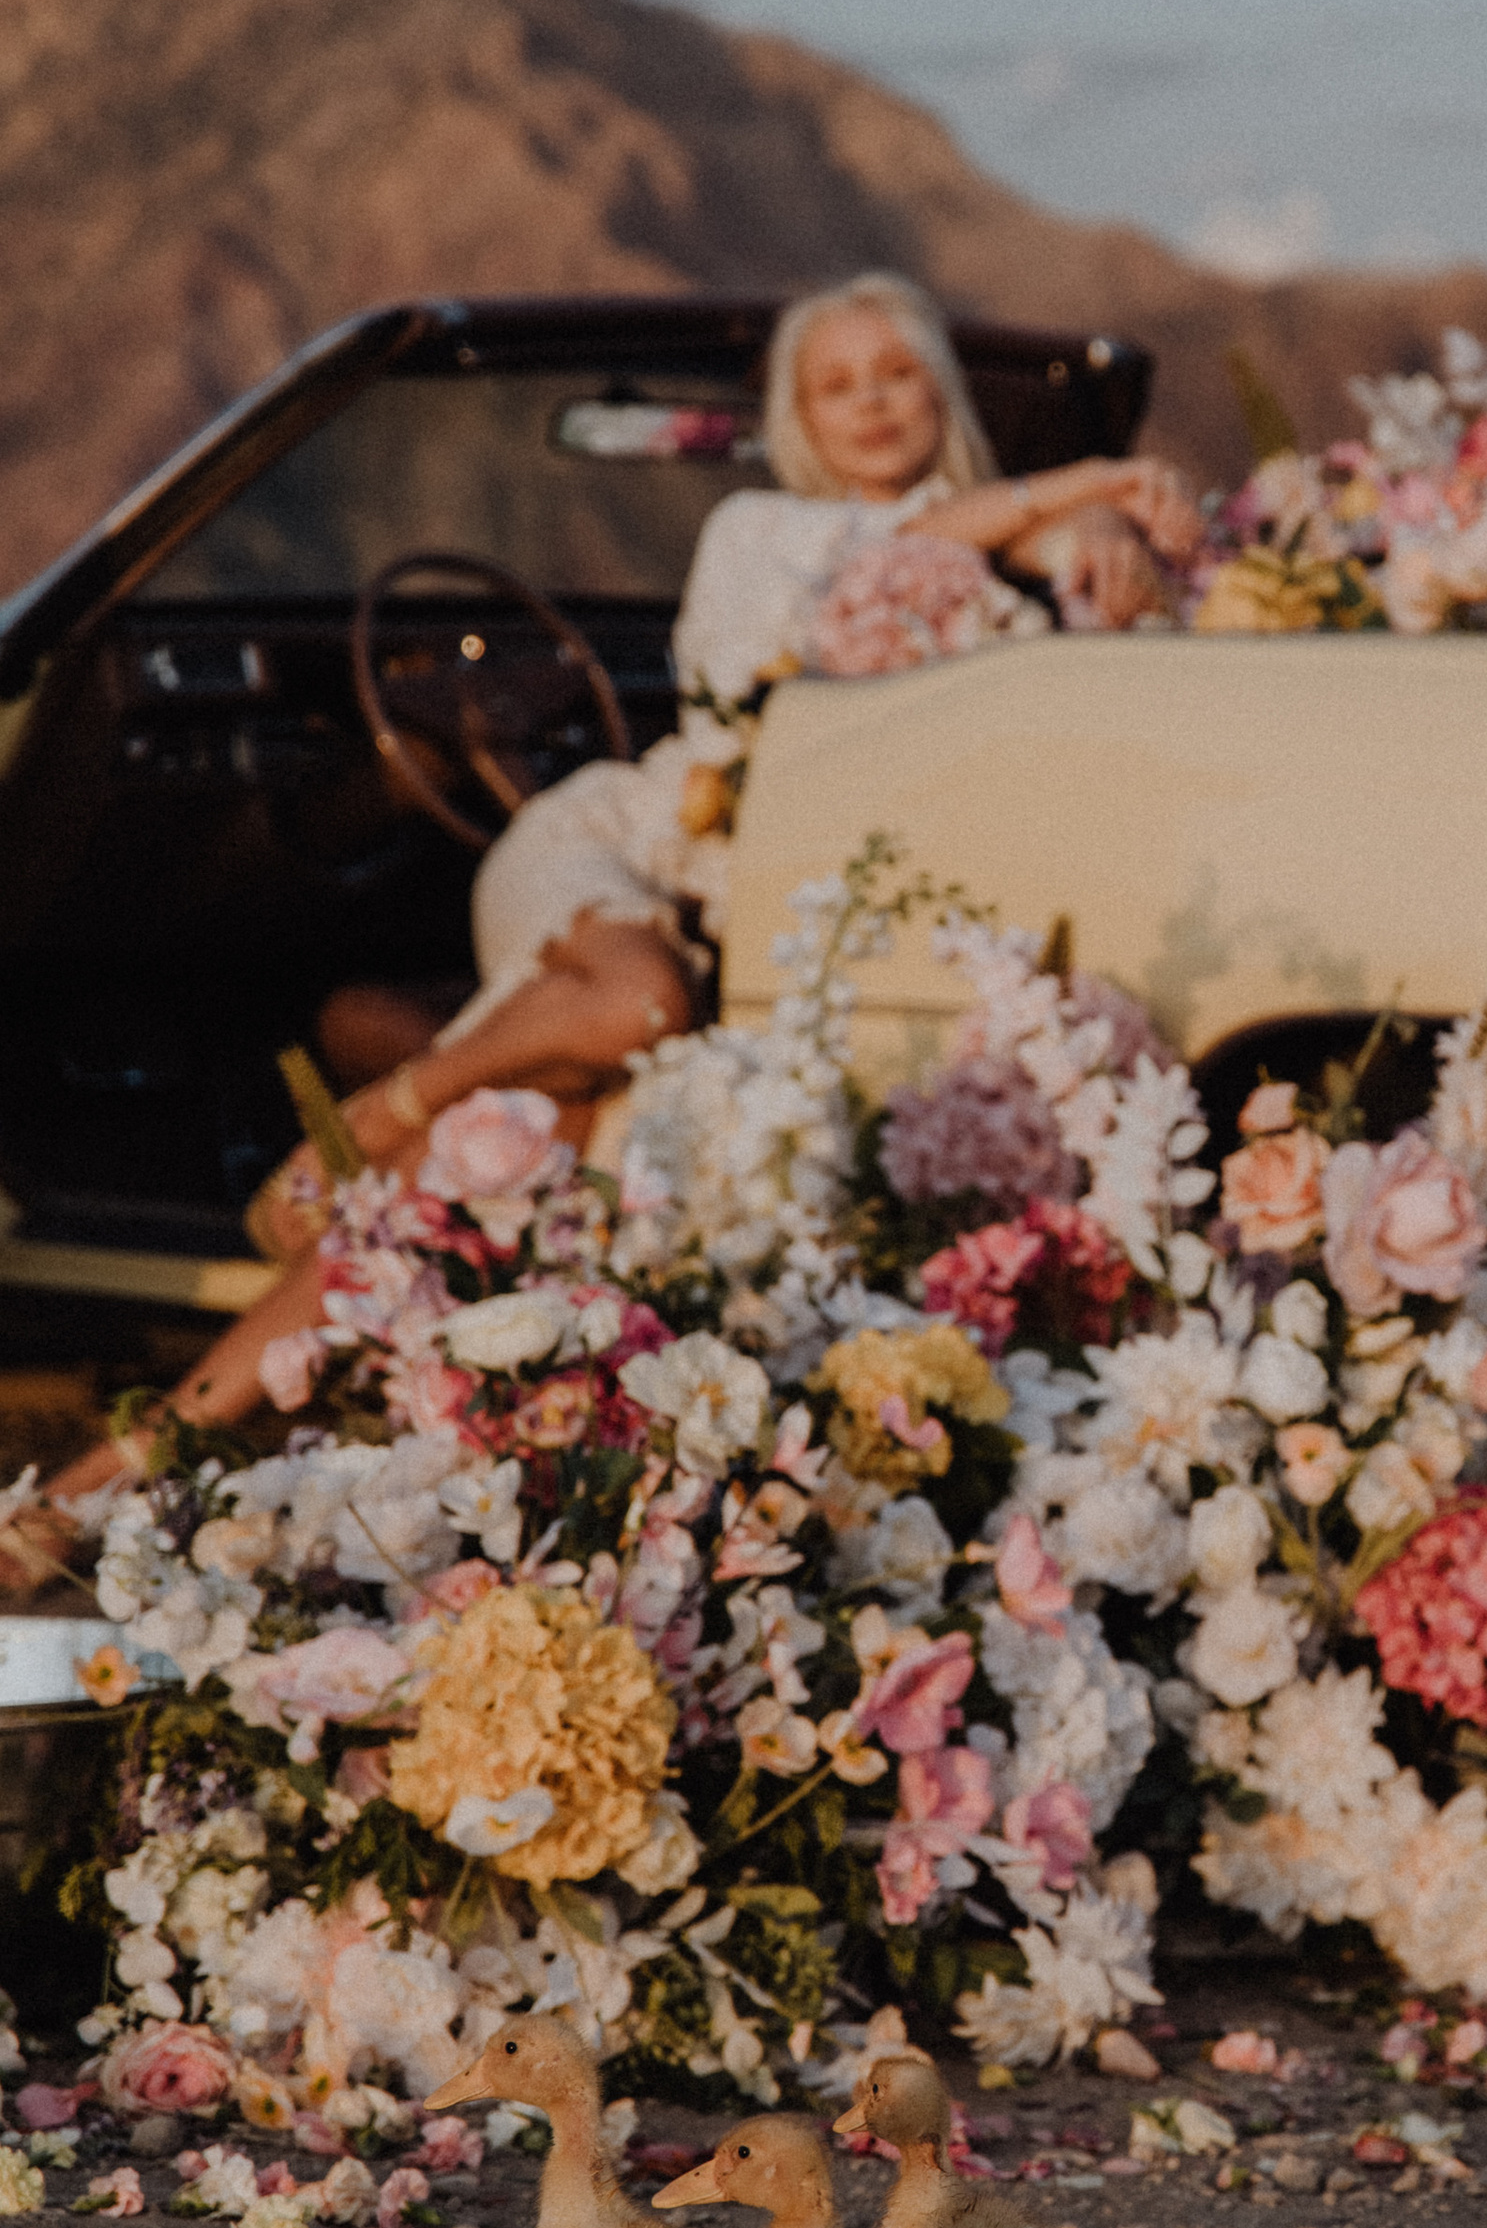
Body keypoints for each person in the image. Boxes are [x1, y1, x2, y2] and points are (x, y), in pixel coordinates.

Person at [9, 274, 1198, 1562]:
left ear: (941, 393)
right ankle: (370, 1115)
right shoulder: (763, 529)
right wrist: (1079, 489)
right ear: (797, 421)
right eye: (836, 386)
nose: (871, 406)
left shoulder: (1010, 562)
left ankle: (106, 1475)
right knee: (634, 1009)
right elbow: (884, 573)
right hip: (619, 856)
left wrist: (1094, 536)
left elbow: (1040, 586)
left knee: (487, 1175)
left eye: (897, 375)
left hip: (761, 934)